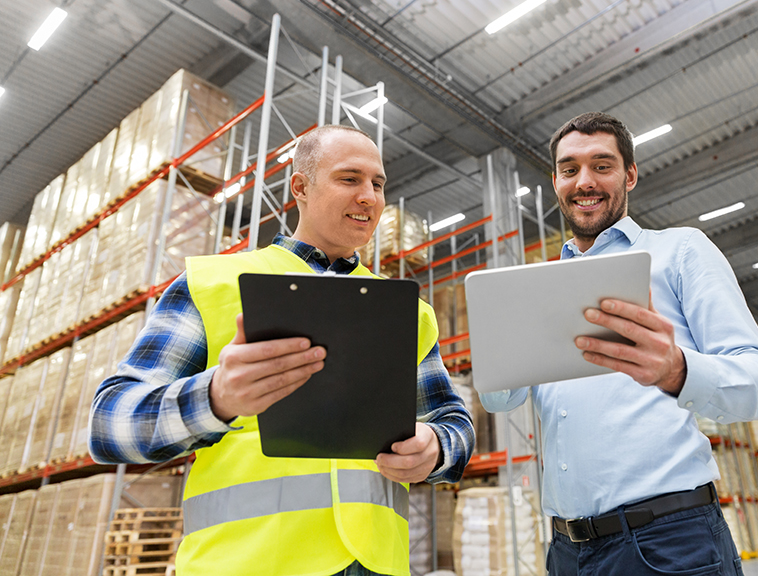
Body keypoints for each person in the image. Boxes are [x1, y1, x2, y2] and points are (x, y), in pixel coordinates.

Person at [91, 125, 475, 576]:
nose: (369, 197)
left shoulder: (408, 311)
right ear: (300, 188)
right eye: (349, 179)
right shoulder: (212, 284)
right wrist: (215, 397)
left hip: (376, 566)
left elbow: (453, 421)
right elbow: (110, 423)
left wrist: (437, 448)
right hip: (245, 566)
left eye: (378, 183)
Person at [480, 112, 758, 576]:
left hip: (666, 542)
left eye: (602, 166)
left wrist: (677, 370)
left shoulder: (680, 251)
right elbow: (501, 401)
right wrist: (496, 351)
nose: (584, 181)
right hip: (567, 552)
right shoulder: (540, 287)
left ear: (630, 175)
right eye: (569, 169)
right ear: (556, 182)